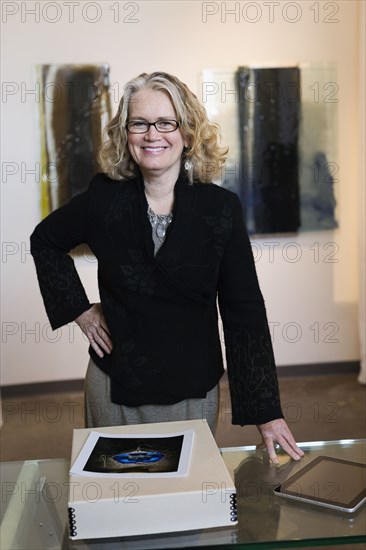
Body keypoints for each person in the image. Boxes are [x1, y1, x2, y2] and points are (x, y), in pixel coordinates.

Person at [31, 71, 304, 465]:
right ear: (126, 133)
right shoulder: (104, 198)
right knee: (115, 508)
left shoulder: (219, 209)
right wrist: (80, 310)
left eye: (166, 122)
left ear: (188, 133)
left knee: (183, 510)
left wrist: (267, 411)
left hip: (191, 391)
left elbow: (244, 312)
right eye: (139, 123)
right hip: (115, 387)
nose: (152, 135)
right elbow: (45, 240)